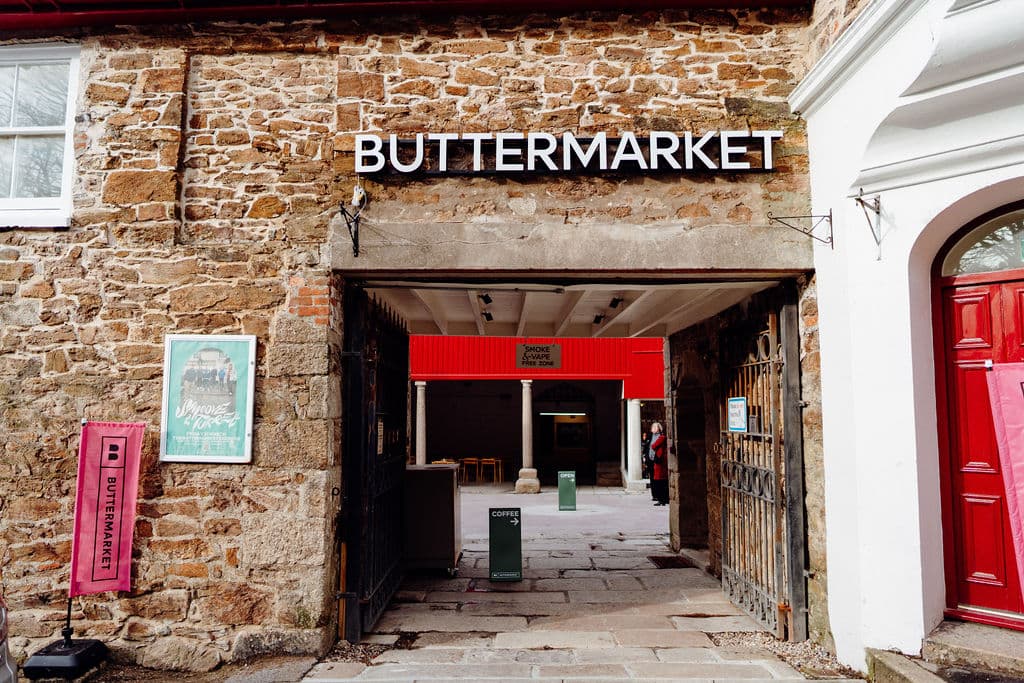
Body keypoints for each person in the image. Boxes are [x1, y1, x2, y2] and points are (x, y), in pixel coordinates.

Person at [649, 422, 668, 506]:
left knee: (660, 481)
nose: (653, 428)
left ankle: (662, 499)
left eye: (655, 427)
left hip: (660, 460)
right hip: (657, 460)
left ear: (659, 429)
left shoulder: (662, 437)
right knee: (659, 481)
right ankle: (661, 499)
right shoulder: (653, 436)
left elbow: (653, 446)